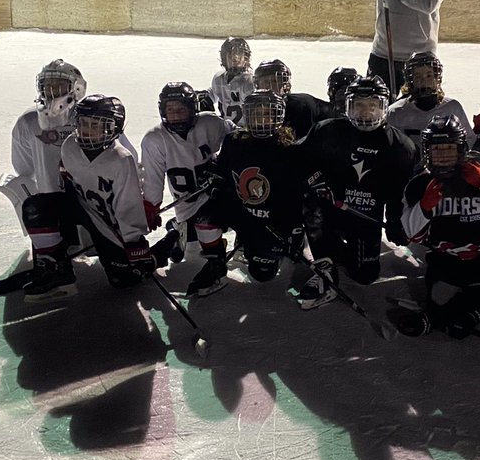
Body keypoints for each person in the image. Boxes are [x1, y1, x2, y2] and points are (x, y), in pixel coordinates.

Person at [392, 115, 480, 339]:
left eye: (449, 149)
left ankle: (449, 315)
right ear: (427, 153)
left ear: (462, 149)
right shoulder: (418, 184)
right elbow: (411, 234)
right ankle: (441, 313)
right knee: (439, 298)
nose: (443, 156)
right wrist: (424, 207)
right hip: (445, 257)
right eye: (437, 150)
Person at [295, 76, 418, 309]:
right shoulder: (327, 130)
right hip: (328, 208)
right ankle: (325, 261)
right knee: (311, 204)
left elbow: (398, 191)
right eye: (359, 105)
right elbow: (299, 160)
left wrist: (394, 219)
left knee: (364, 275)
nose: (365, 112)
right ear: (348, 105)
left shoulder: (401, 147)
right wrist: (313, 179)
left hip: (365, 217)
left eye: (372, 105)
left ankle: (338, 252)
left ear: (383, 106)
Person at [20, 95, 156, 301]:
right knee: (36, 207)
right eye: (83, 124)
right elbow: (67, 186)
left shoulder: (121, 159)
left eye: (95, 125)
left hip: (107, 225)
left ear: (114, 127)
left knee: (124, 280)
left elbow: (128, 207)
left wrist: (133, 242)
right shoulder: (69, 146)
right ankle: (56, 267)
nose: (86, 130)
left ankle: (166, 247)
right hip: (81, 207)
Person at [202, 90, 306, 292]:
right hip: (245, 216)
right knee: (205, 216)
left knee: (263, 273)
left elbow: (295, 196)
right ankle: (215, 261)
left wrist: (293, 229)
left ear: (279, 116)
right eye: (256, 114)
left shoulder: (290, 149)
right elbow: (224, 181)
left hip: (273, 222)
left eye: (268, 114)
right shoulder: (234, 141)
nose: (262, 119)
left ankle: (271, 241)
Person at [140, 81, 234, 269]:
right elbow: (153, 179)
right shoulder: (154, 139)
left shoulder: (209, 123)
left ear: (192, 109)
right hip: (188, 206)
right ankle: (176, 230)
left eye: (181, 109)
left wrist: (224, 164)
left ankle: (217, 259)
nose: (175, 115)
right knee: (191, 251)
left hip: (216, 194)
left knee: (220, 223)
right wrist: (151, 205)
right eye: (170, 109)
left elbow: (238, 140)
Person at [2, 60, 87, 234]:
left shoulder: (92, 117)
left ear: (77, 89)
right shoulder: (28, 121)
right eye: (47, 85)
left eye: (59, 85)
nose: (51, 90)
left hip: (90, 197)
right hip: (49, 204)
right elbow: (25, 169)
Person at [387, 51, 474, 141]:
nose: (423, 81)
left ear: (437, 78)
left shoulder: (452, 108)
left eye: (429, 75)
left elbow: (468, 139)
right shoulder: (395, 112)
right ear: (410, 80)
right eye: (417, 76)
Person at [253, 58, 329, 140]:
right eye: (266, 82)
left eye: (275, 81)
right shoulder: (254, 107)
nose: (271, 86)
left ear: (285, 84)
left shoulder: (301, 106)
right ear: (257, 84)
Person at [209, 37, 254, 125]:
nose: (235, 57)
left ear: (246, 58)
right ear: (223, 57)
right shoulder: (218, 78)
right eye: (230, 53)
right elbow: (211, 95)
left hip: (246, 131)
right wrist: (206, 98)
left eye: (239, 53)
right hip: (225, 130)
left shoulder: (250, 80)